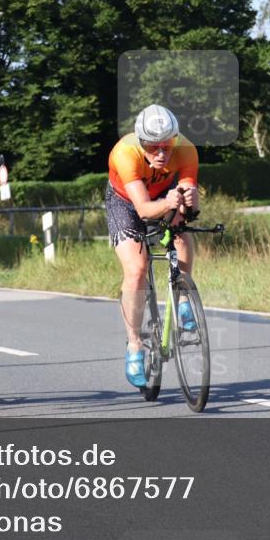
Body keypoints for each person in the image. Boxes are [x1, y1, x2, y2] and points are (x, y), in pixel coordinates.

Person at [107, 104, 200, 388]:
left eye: (167, 145)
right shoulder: (125, 153)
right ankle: (135, 345)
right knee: (136, 269)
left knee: (181, 232)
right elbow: (145, 210)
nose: (161, 153)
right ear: (140, 142)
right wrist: (168, 204)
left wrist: (190, 204)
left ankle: (183, 295)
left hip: (162, 196)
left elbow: (185, 207)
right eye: (152, 146)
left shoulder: (187, 150)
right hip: (127, 203)